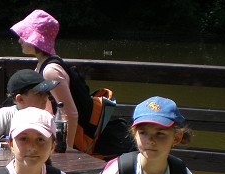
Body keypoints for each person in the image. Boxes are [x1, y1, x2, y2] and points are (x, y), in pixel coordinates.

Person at [10, 9, 136, 157]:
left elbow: (70, 113)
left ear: (35, 40)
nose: (20, 40)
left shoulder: (50, 70)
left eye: (24, 36)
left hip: (80, 139)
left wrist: (67, 148)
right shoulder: (43, 65)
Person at [0, 69, 58, 142]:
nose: (46, 97)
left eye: (46, 93)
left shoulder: (47, 117)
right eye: (39, 94)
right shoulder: (6, 114)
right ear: (20, 99)